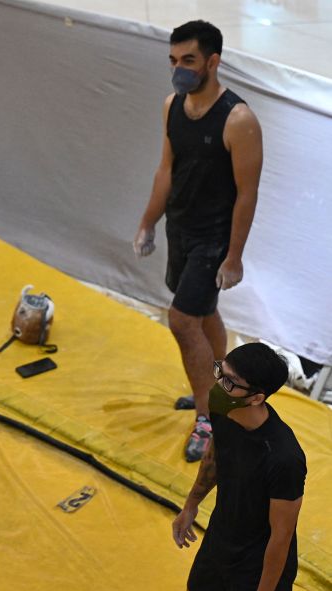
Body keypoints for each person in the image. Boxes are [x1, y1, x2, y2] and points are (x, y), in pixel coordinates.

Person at [141, 343, 305, 591]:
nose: (219, 383)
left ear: (258, 397)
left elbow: (280, 539)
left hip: (260, 559)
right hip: (222, 535)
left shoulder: (283, 457)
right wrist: (191, 505)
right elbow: (216, 453)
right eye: (221, 371)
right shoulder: (225, 408)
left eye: (230, 381)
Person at [133, 20, 263, 462]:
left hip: (213, 238)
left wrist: (235, 257)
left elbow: (248, 193)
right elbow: (165, 170)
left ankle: (210, 417)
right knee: (203, 314)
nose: (179, 69)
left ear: (212, 61)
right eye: (173, 60)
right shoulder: (172, 105)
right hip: (181, 229)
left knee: (182, 321)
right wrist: (149, 222)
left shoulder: (238, 119)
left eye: (188, 60)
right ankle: (223, 390)